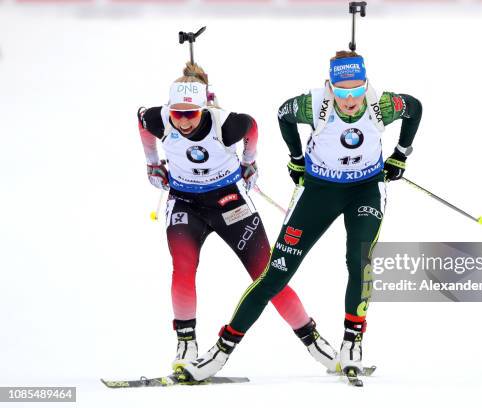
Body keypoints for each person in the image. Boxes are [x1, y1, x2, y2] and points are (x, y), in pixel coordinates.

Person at [183, 50, 423, 380]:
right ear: (330, 87)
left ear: (365, 85)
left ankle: (352, 343)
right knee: (275, 275)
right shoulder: (313, 105)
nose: (350, 100)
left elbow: (415, 108)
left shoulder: (382, 104)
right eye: (342, 91)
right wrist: (296, 158)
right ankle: (220, 352)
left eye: (356, 91)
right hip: (318, 192)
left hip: (365, 190)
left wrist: (400, 155)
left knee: (360, 260)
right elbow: (283, 114)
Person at [137, 62, 338, 373]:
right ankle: (186, 343)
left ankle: (313, 341)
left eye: (191, 114)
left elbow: (252, 126)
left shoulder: (225, 125)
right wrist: (152, 164)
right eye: (177, 114)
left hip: (228, 201)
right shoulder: (159, 118)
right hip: (185, 202)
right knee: (184, 267)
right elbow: (142, 123)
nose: (184, 122)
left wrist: (249, 162)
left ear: (204, 108)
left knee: (267, 274)